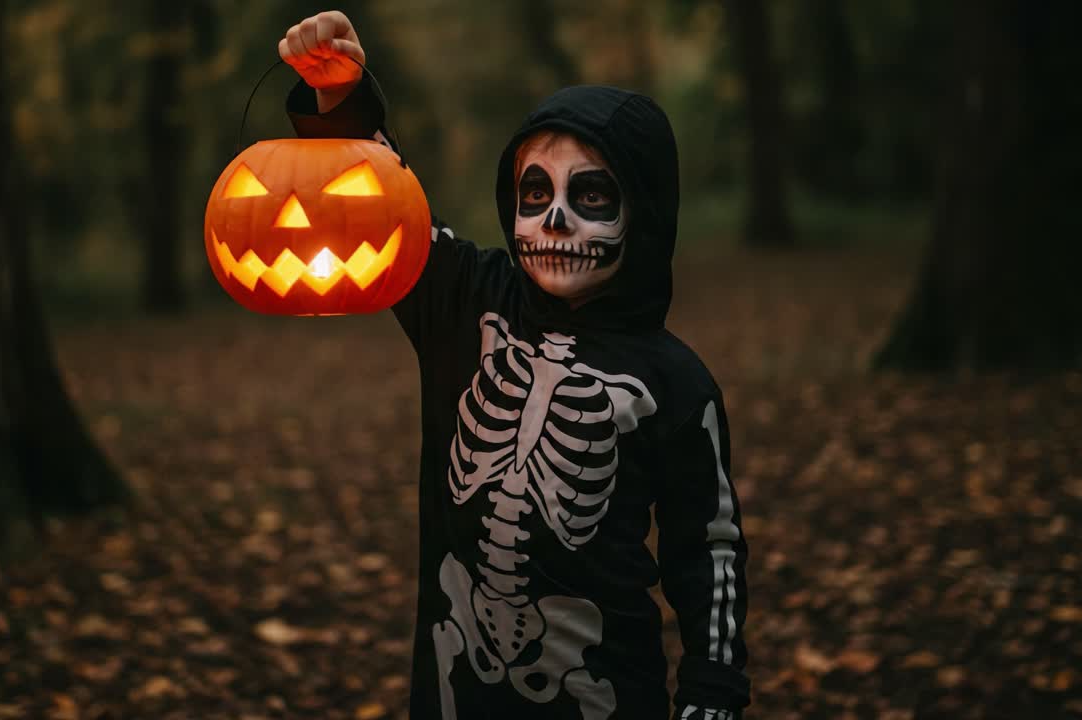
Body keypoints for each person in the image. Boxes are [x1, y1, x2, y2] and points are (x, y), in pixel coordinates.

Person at [279, 11, 751, 720]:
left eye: (590, 196)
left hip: (606, 688)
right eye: (536, 195)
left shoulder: (674, 381)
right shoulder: (466, 300)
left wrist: (713, 694)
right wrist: (340, 100)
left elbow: (709, 549)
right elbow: (379, 206)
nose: (555, 220)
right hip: (454, 685)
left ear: (644, 214)